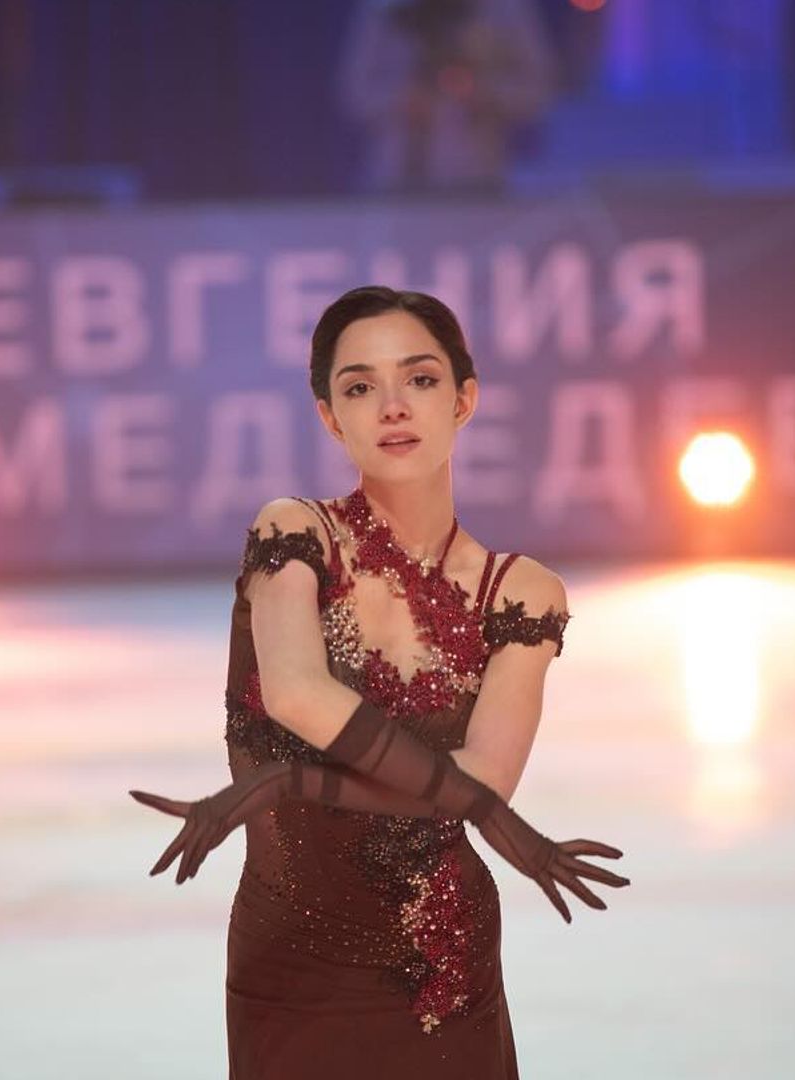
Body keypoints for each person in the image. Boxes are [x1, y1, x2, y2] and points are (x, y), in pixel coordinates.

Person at [129, 285, 629, 1077]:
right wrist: (490, 818)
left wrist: (293, 780)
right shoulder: (294, 533)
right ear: (330, 415)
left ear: (465, 398)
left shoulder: (522, 593)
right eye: (360, 387)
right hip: (290, 954)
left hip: (442, 958)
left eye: (421, 380)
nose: (393, 406)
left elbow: (486, 777)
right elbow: (296, 692)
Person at [338, 0, 558, 194]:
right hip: (394, 178)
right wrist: (401, 99)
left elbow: (538, 89)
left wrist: (482, 93)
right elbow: (355, 90)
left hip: (475, 180)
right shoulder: (384, 6)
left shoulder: (503, 6)